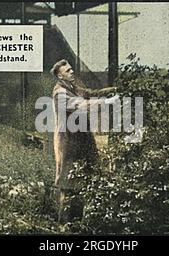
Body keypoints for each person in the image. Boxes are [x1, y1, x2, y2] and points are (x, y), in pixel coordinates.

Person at [50, 59, 118, 224]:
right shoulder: (60, 92)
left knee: (82, 181)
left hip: (81, 140)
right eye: (67, 71)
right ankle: (64, 225)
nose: (72, 72)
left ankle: (77, 223)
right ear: (60, 75)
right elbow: (79, 105)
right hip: (68, 143)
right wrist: (105, 102)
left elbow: (89, 93)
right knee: (68, 184)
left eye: (72, 69)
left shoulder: (72, 88)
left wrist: (113, 90)